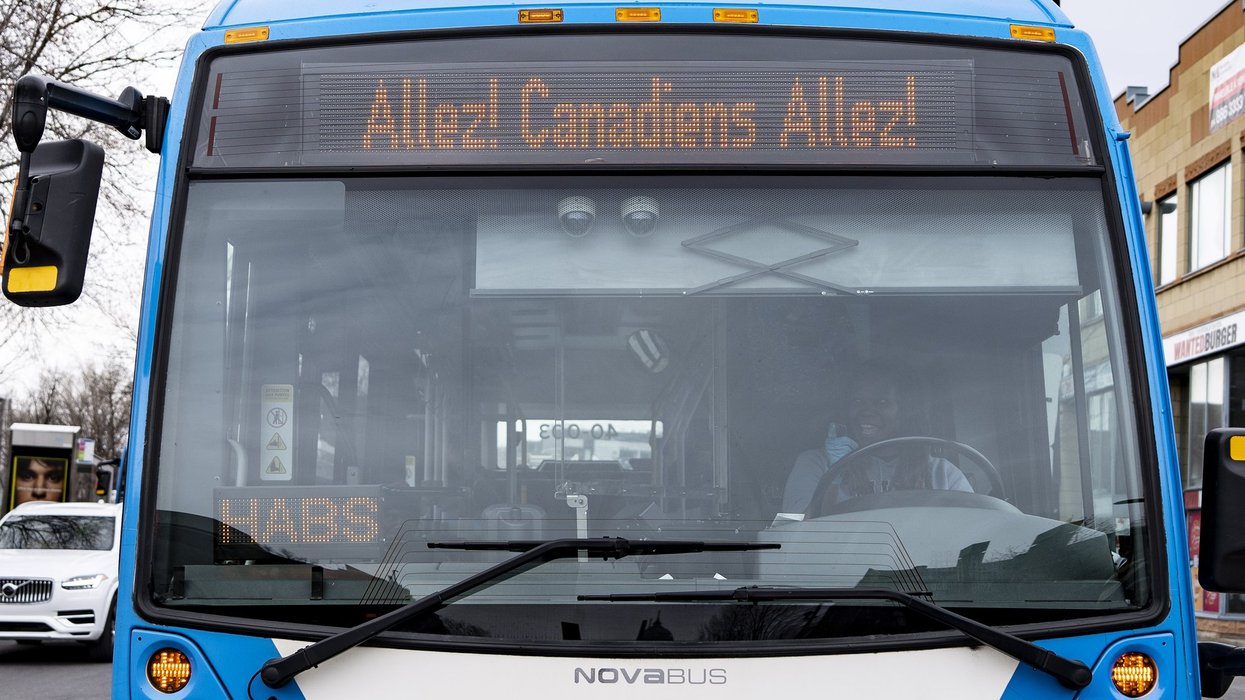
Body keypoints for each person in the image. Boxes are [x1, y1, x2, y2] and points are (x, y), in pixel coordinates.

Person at [780, 362, 971, 515]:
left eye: (882, 402)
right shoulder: (814, 463)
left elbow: (974, 532)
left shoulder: (942, 473)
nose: (866, 411)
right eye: (857, 401)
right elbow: (792, 535)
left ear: (904, 412)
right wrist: (833, 478)